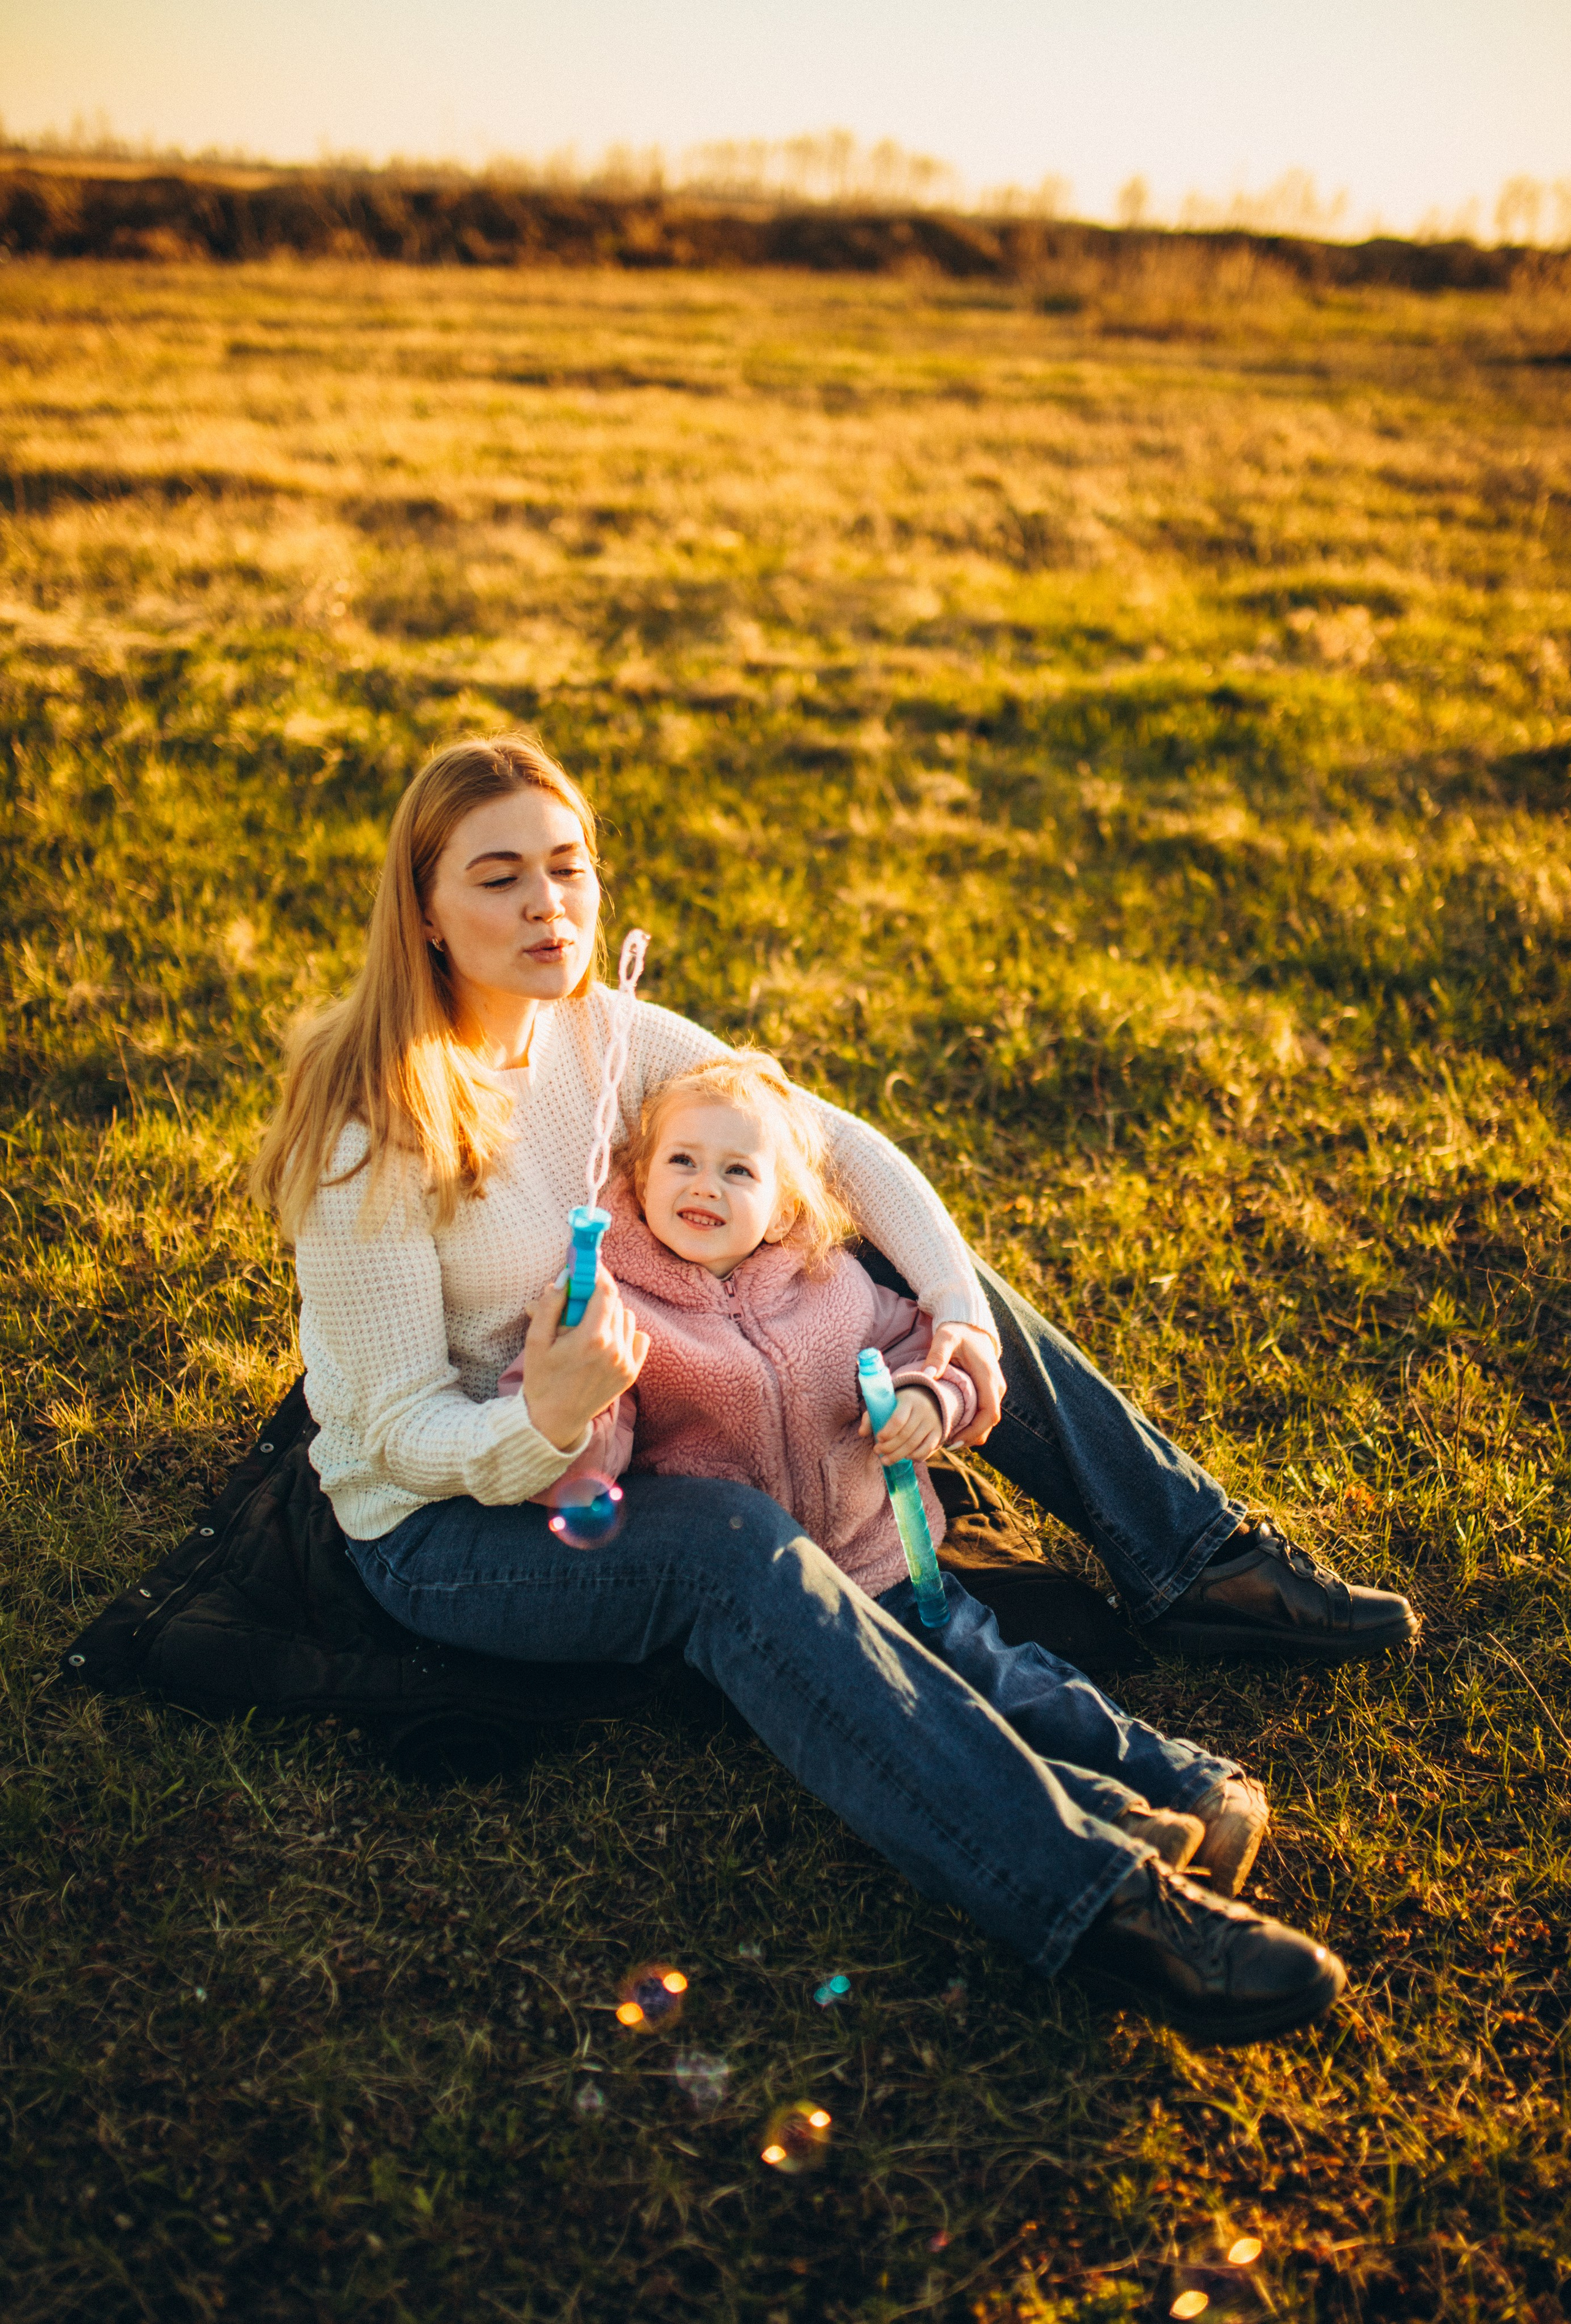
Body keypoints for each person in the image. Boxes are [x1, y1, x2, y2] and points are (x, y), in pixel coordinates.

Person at [253, 731, 1410, 2043]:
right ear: (422, 908)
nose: (549, 907)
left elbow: (828, 1142)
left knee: (867, 1251)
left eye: (569, 868)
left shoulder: (594, 1028)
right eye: (501, 877)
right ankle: (1101, 1902)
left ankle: (1191, 1559)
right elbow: (395, 1431)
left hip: (618, 1423)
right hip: (447, 1518)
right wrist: (544, 1418)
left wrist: (960, 1330)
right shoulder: (370, 1128)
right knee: (732, 1551)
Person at [501, 1048, 1274, 1898]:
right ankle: (1113, 1822)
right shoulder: (613, 1304)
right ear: (639, 1177)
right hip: (784, 1613)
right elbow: (581, 1445)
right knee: (935, 1723)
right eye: (681, 1161)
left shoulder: (832, 1287)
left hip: (888, 1563)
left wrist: (926, 1402)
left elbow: (925, 1350)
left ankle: (1190, 1783)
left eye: (737, 1170)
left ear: (783, 1202)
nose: (705, 1186)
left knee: (1010, 1677)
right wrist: (570, 1404)